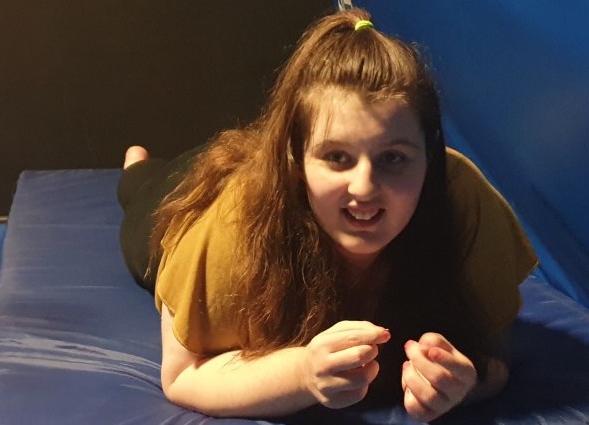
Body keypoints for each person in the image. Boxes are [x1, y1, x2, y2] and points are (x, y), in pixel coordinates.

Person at [116, 8, 537, 422]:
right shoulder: (232, 227)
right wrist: (301, 374)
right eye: (337, 157)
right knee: (143, 194)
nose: (365, 187)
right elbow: (183, 375)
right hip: (189, 198)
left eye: (394, 158)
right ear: (297, 163)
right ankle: (137, 166)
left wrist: (464, 382)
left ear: (430, 157)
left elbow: (494, 351)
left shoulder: (460, 198)